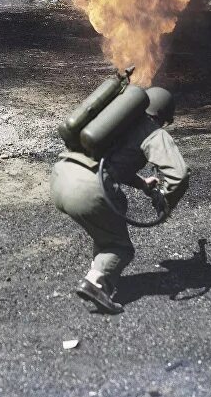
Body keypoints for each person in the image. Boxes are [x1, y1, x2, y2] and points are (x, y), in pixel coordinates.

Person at [50, 87, 189, 314]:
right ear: (163, 116)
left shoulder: (112, 123)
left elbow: (109, 163)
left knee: (105, 230)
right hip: (86, 191)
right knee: (119, 246)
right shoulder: (152, 131)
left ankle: (98, 272)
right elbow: (179, 174)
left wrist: (143, 184)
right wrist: (166, 199)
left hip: (60, 176)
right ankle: (96, 284)